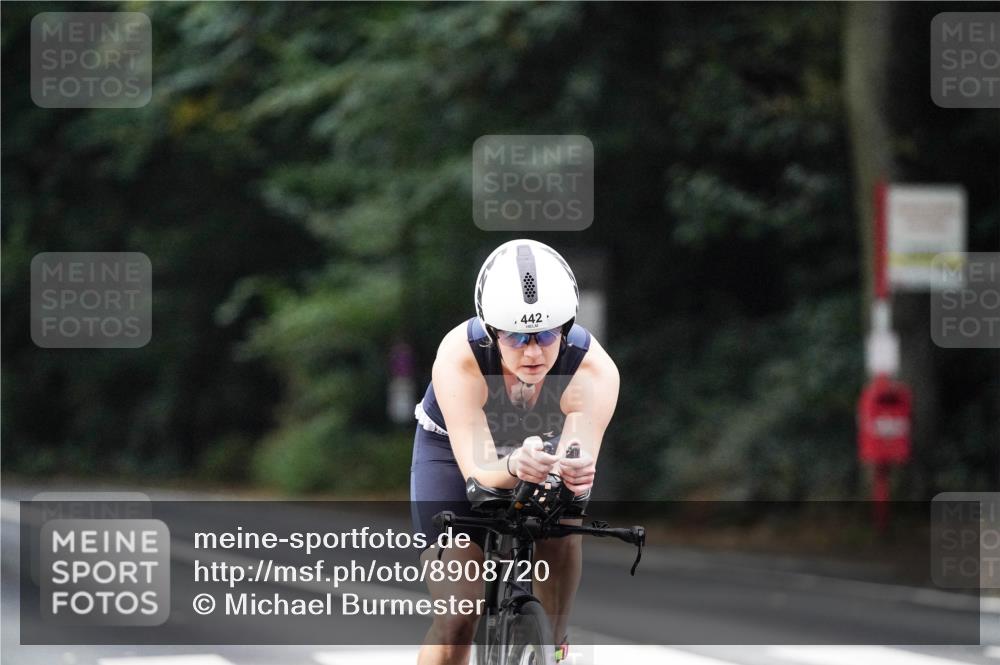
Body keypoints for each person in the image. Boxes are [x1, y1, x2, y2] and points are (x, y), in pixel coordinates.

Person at [410, 239, 620, 665]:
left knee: (563, 518)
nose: (531, 352)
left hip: (541, 451)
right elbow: (479, 473)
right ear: (490, 329)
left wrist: (574, 474)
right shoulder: (460, 356)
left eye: (545, 335)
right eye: (515, 336)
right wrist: (511, 465)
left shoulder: (593, 369)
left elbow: (578, 456)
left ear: (565, 326)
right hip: (456, 451)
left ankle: (553, 647)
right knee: (458, 615)